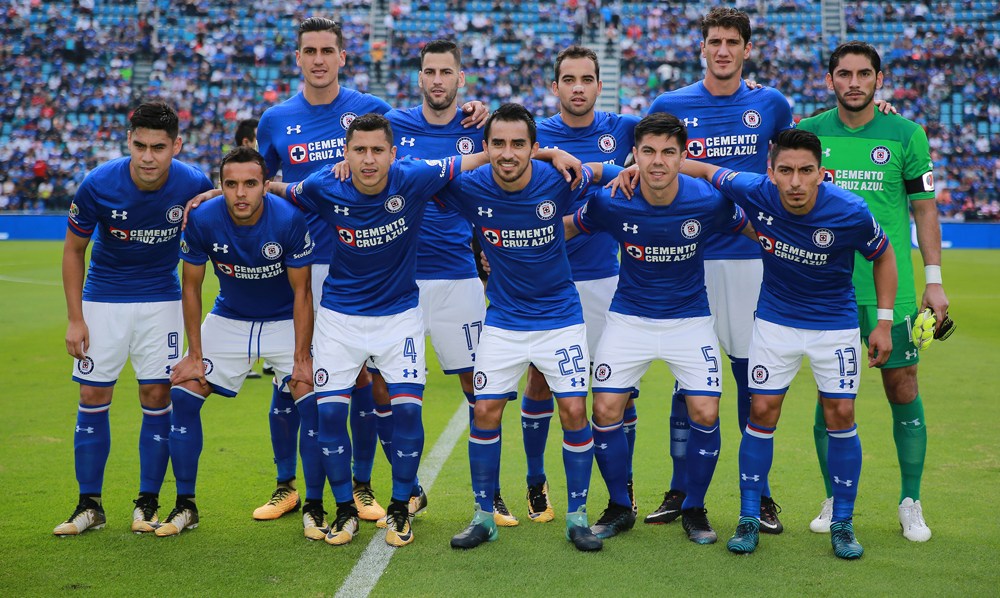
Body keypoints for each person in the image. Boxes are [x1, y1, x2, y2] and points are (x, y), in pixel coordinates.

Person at [269, 113, 490, 547]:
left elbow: (486, 157)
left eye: (376, 150)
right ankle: (345, 510)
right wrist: (220, 192)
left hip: (399, 316)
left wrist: (548, 152)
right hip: (339, 318)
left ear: (393, 153)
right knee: (330, 415)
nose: (368, 160)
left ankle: (400, 507)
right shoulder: (324, 185)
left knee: (407, 411)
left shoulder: (414, 176)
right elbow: (282, 189)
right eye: (359, 150)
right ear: (345, 154)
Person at [681, 129, 898, 559]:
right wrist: (632, 172)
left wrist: (884, 323)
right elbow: (701, 168)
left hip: (834, 326)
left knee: (841, 415)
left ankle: (843, 523)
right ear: (771, 172)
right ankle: (748, 517)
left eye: (805, 171)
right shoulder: (754, 190)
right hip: (776, 322)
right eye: (785, 171)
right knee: (761, 411)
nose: (795, 181)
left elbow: (884, 255)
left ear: (822, 173)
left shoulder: (850, 210)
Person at [570, 113, 751, 544]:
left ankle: (694, 508)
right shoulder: (612, 200)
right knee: (604, 410)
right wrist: (510, 244)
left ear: (683, 156)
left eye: (668, 152)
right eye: (648, 151)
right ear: (634, 155)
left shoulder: (708, 201)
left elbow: (754, 229)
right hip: (628, 319)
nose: (657, 161)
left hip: (690, 321)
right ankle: (619, 506)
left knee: (706, 412)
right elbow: (568, 229)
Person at [645, 7, 793, 532]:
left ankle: (760, 495)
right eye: (715, 41)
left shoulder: (771, 104)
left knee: (753, 380)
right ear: (702, 48)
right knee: (688, 383)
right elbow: (639, 157)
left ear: (747, 49)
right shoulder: (671, 105)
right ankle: (681, 490)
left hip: (753, 260)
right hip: (691, 259)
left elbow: (800, 155)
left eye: (733, 42)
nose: (723, 50)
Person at [798, 41, 946, 542]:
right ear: (830, 80)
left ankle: (911, 500)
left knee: (902, 387)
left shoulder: (906, 133)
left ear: (879, 80)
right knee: (832, 395)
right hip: (828, 290)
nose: (854, 82)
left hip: (892, 291)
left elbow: (925, 209)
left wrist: (934, 281)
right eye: (844, 74)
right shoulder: (811, 133)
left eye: (864, 74)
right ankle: (835, 499)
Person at [441, 103, 605, 552]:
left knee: (574, 412)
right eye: (498, 144)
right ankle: (483, 516)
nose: (507, 153)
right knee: (485, 412)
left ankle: (577, 518)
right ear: (485, 147)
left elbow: (609, 172)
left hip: (560, 318)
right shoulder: (470, 186)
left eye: (518, 144)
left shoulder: (557, 178)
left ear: (533, 147)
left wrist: (565, 157)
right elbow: (417, 174)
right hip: (504, 320)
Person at [56, 101, 214, 535]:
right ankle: (89, 505)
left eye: (158, 147)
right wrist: (75, 318)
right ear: (129, 141)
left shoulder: (193, 183)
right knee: (92, 395)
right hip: (103, 300)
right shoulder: (98, 183)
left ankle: (147, 503)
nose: (147, 156)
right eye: (139, 145)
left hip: (162, 302)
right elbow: (73, 250)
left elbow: (222, 207)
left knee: (158, 396)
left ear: (176, 146)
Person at [379, 39, 506, 525]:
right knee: (384, 389)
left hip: (459, 278)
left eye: (446, 72)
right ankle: (407, 488)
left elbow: (515, 155)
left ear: (461, 79)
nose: (437, 80)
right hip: (401, 280)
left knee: (481, 389)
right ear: (420, 78)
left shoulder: (478, 129)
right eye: (429, 72)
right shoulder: (394, 124)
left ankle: (489, 495)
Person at [159, 146, 315, 536]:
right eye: (231, 184)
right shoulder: (203, 218)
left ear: (266, 185)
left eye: (250, 184)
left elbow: (302, 293)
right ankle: (185, 506)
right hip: (230, 317)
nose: (240, 193)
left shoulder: (289, 219)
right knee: (183, 392)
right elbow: (191, 288)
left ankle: (310, 503)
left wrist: (301, 357)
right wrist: (195, 354)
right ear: (220, 186)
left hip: (284, 319)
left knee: (311, 397)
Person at [519, 45, 640, 523]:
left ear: (599, 86)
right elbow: (499, 152)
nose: (577, 88)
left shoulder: (622, 128)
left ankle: (622, 488)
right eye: (568, 79)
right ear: (555, 87)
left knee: (617, 387)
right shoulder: (537, 134)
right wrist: (550, 152)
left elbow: (674, 141)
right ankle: (535, 480)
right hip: (546, 279)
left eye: (586, 79)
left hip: (605, 279)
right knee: (540, 379)